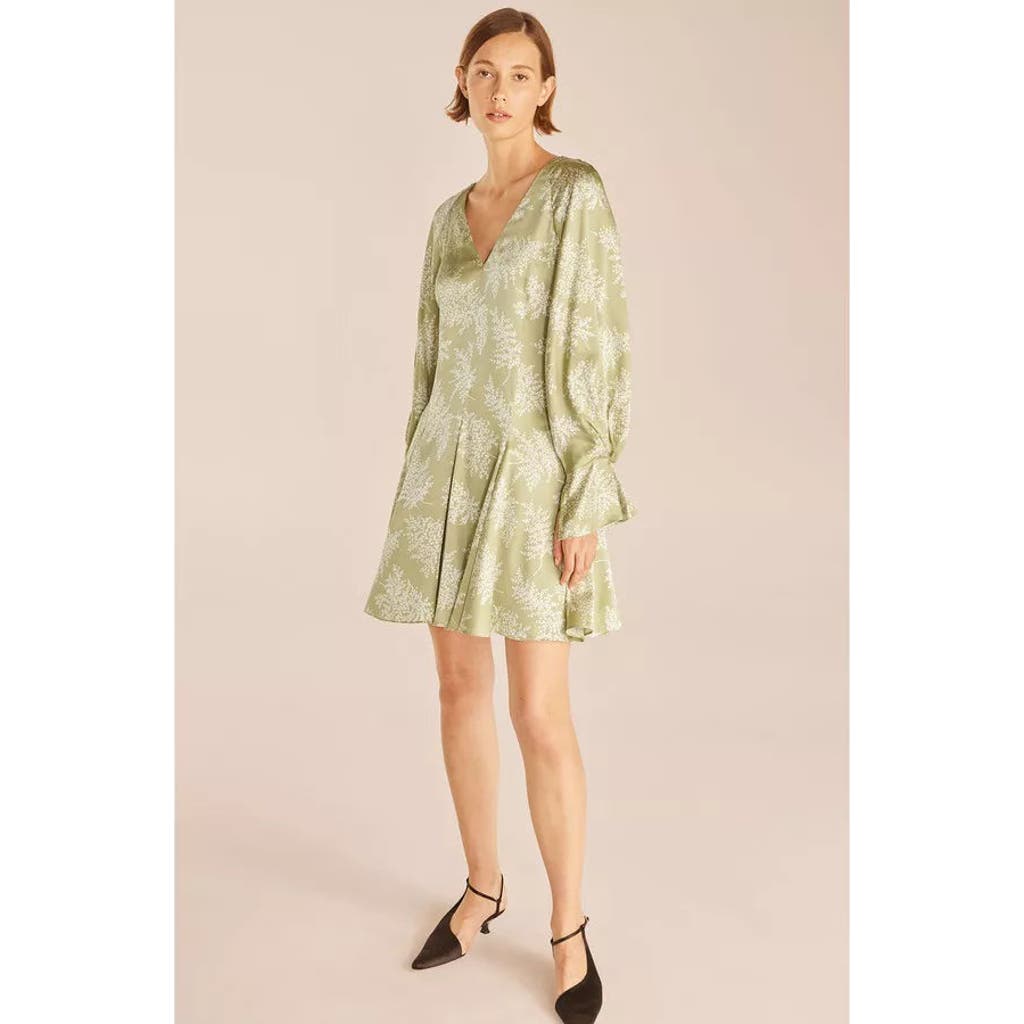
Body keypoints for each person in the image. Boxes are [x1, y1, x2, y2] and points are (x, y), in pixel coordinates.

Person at [363, 10, 637, 1023]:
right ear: (463, 82)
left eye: (521, 74)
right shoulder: (450, 217)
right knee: (455, 690)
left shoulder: (573, 195)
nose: (501, 90)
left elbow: (596, 346)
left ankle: (567, 927)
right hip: (444, 477)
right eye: (486, 72)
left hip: (531, 478)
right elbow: (428, 365)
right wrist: (413, 483)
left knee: (539, 714)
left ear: (546, 88)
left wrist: (585, 494)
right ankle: (482, 885)